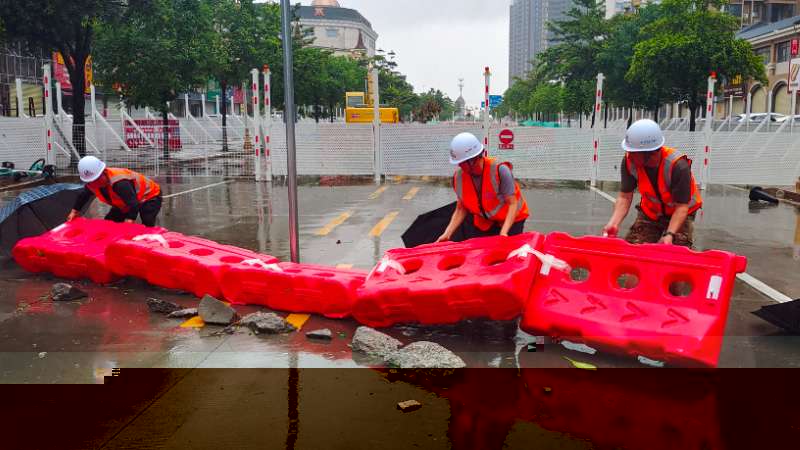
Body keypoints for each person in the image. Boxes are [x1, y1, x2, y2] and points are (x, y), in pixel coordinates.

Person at [603, 119, 703, 247]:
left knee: (674, 253)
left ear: (651, 154)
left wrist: (670, 234)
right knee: (636, 249)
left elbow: (681, 207)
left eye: (634, 153)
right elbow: (625, 197)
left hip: (681, 213)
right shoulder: (629, 161)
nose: (629, 155)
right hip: (651, 212)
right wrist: (613, 224)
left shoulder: (677, 166)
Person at [438, 132, 529, 242]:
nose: (459, 166)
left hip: (511, 220)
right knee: (480, 253)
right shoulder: (458, 178)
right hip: (484, 222)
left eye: (462, 163)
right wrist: (447, 234)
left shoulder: (500, 170)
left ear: (473, 159)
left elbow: (512, 203)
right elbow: (461, 209)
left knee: (508, 252)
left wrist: (503, 233)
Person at [67, 156, 162, 227]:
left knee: (147, 223)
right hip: (125, 201)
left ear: (104, 172)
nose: (95, 184)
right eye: (91, 182)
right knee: (109, 223)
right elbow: (83, 195)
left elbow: (133, 204)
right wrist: (74, 212)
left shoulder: (119, 183)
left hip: (150, 196)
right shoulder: (92, 184)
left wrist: (129, 220)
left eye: (97, 180)